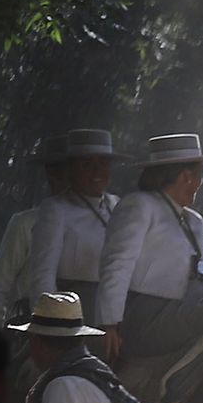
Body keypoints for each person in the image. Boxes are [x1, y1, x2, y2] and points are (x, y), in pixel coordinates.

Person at [93, 133, 203, 369]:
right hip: (148, 317)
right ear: (187, 177)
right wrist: (109, 323)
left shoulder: (194, 220)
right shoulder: (140, 205)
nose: (201, 183)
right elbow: (118, 264)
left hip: (189, 307)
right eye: (200, 176)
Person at [25, 129, 127, 321]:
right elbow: (43, 276)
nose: (97, 171)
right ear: (71, 169)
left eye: (103, 164)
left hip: (117, 309)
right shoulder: (56, 209)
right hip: (74, 310)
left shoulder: (118, 206)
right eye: (87, 164)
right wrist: (50, 322)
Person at [0, 135, 68, 326]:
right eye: (58, 170)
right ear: (49, 174)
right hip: (29, 328)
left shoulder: (102, 223)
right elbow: (0, 288)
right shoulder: (25, 224)